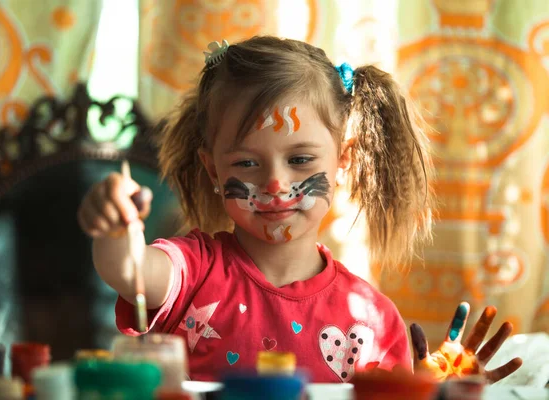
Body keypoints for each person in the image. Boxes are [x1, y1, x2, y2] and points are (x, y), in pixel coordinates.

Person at [78, 36, 521, 383]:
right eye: (247, 163)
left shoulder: (372, 318)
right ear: (212, 169)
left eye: (300, 160)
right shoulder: (194, 272)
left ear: (343, 158)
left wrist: (431, 390)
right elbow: (130, 270)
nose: (275, 184)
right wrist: (115, 227)